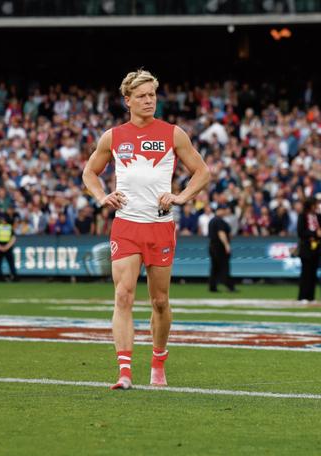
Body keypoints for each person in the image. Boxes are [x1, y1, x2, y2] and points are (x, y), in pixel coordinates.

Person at [82, 69, 210, 390]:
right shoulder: (112, 136)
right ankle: (124, 372)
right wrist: (101, 196)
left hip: (159, 226)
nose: (148, 100)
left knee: (160, 302)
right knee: (123, 296)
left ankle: (158, 361)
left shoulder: (173, 133)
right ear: (128, 101)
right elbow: (89, 172)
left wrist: (180, 196)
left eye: (152, 94)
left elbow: (202, 172)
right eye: (141, 96)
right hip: (126, 225)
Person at [297, 197, 321, 303]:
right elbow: (301, 232)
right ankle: (303, 296)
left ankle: (311, 296)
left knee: (313, 273)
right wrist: (314, 234)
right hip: (306, 248)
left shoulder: (318, 217)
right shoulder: (302, 216)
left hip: (316, 248)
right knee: (306, 272)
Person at [208, 205, 235, 292]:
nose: (225, 212)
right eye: (224, 210)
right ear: (219, 210)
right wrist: (227, 245)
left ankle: (212, 286)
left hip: (212, 246)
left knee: (214, 268)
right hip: (219, 247)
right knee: (224, 266)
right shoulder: (219, 221)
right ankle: (229, 285)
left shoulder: (212, 220)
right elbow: (221, 233)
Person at [0, 213, 17, 281]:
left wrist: (7, 246)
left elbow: (13, 238)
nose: (3, 221)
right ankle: (0, 277)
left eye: (3, 219)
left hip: (7, 247)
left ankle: (14, 276)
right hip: (0, 246)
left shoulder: (9, 227)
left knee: (11, 263)